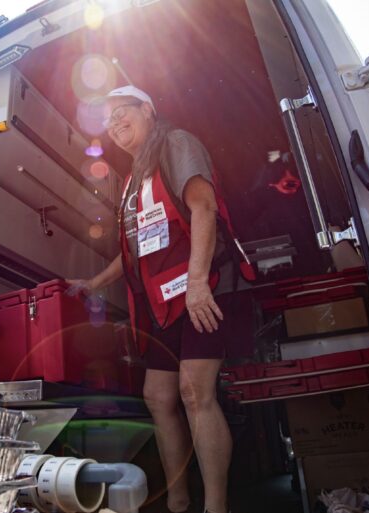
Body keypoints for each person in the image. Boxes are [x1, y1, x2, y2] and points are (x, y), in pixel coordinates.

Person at [69, 86, 252, 513]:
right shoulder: (133, 181)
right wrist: (94, 283)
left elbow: (203, 208)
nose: (115, 123)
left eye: (122, 111)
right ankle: (178, 501)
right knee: (157, 396)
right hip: (165, 305)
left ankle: (216, 507)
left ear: (148, 109)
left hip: (203, 288)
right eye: (108, 120)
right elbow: (132, 250)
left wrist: (198, 282)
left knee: (194, 392)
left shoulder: (176, 143)